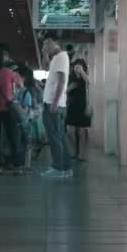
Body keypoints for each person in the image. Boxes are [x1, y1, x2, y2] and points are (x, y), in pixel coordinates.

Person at [41, 33, 73, 178]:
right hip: (54, 103)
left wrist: (54, 102)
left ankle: (58, 168)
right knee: (59, 136)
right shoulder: (57, 58)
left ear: (56, 43)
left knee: (54, 137)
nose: (45, 46)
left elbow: (61, 81)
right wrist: (45, 54)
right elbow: (45, 68)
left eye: (48, 43)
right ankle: (66, 168)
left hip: (54, 104)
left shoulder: (61, 58)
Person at [0, 44, 23, 174]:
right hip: (9, 108)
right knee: (13, 137)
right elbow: (21, 84)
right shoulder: (9, 72)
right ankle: (17, 166)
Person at [66, 58, 92, 161]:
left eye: (79, 66)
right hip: (72, 106)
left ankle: (81, 153)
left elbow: (89, 82)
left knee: (82, 131)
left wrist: (82, 72)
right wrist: (69, 88)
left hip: (83, 106)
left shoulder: (84, 79)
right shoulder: (70, 78)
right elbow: (64, 91)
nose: (77, 68)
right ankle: (74, 151)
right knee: (70, 131)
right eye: (76, 66)